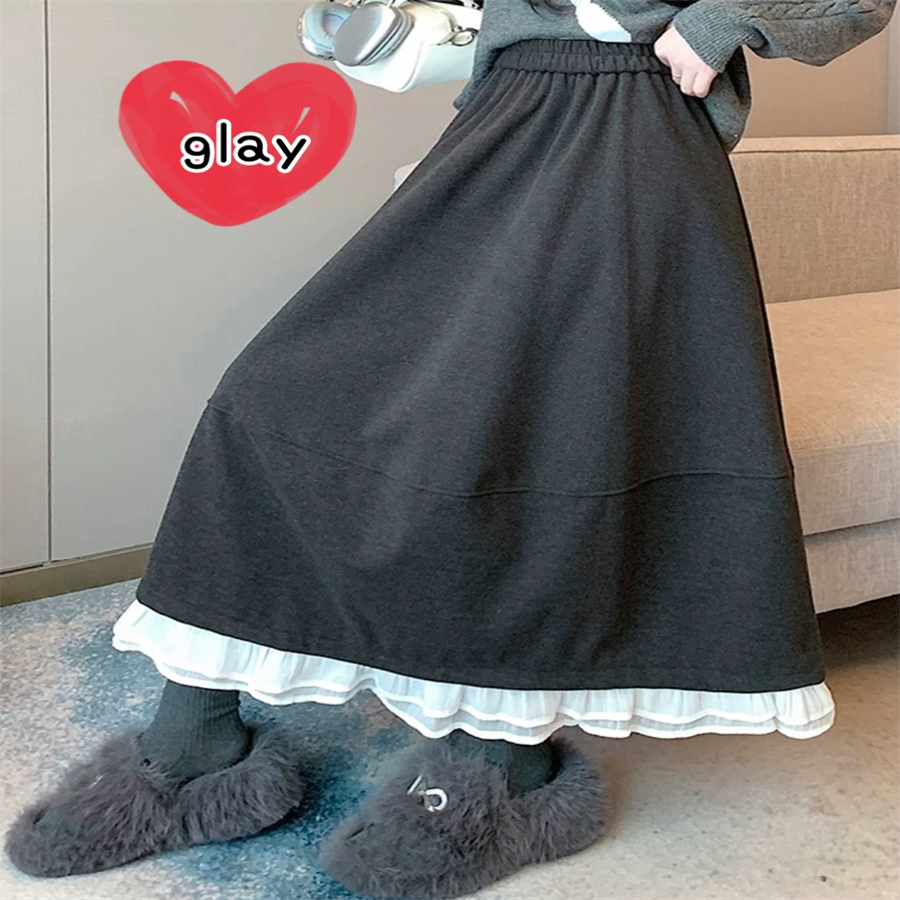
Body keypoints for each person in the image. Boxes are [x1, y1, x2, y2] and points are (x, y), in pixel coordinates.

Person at [6, 1, 895, 898]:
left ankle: (499, 775)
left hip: (634, 129)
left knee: (549, 437)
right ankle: (193, 748)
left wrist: (722, 18)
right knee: (270, 398)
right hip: (502, 118)